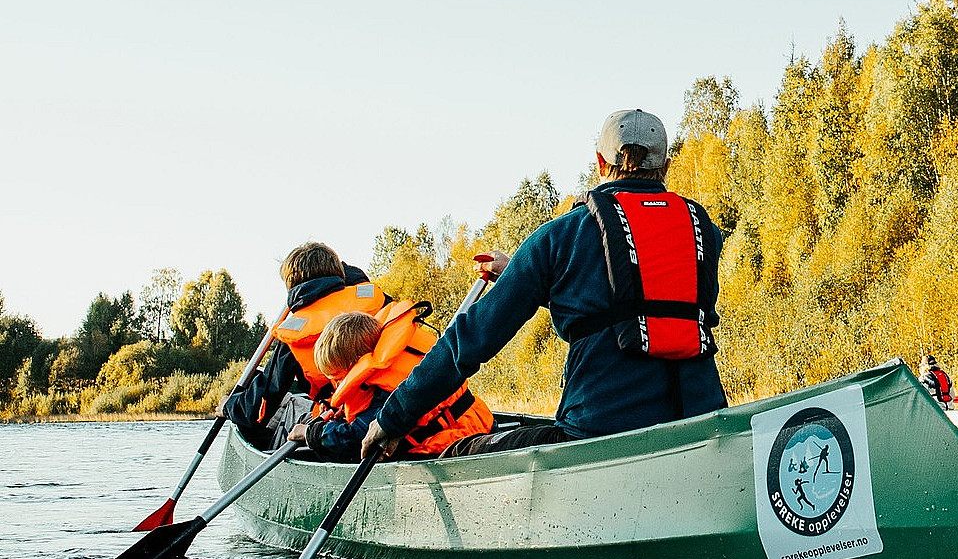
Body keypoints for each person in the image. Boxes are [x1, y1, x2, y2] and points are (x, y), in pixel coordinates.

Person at [362, 107, 728, 460]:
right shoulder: (705, 236)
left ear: (599, 163)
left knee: (459, 451)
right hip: (699, 428)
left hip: (595, 434)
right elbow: (635, 302)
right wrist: (524, 274)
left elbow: (469, 340)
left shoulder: (560, 237)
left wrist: (393, 417)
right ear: (665, 167)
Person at [217, 241, 388, 449]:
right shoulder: (380, 302)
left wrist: (229, 406)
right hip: (398, 409)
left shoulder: (298, 330)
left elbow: (257, 410)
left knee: (269, 405)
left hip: (344, 424)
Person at [288, 308, 493, 461]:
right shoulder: (399, 370)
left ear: (360, 364)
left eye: (339, 378)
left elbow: (355, 438)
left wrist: (310, 433)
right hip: (483, 424)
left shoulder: (386, 393)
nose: (338, 385)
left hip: (445, 450)